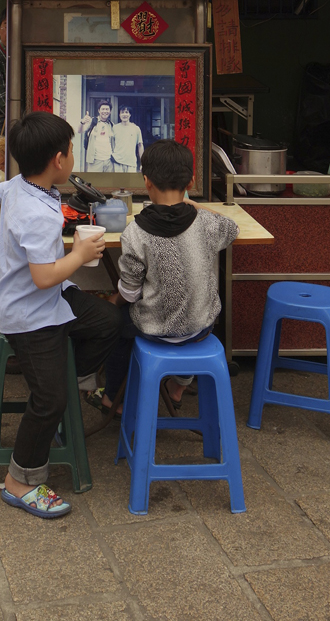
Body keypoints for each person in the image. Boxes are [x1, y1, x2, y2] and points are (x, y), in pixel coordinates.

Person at [0, 112, 121, 519]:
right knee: (48, 399)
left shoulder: (18, 186)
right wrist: (79, 255)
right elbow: (44, 277)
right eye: (73, 151)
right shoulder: (39, 214)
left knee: (108, 322)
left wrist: (5, 240)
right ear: (59, 160)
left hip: (50, 299)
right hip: (29, 313)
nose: (74, 158)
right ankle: (19, 481)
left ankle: (75, 377)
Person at [88, 140, 238, 417]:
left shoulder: (135, 233)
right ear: (191, 181)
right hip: (202, 326)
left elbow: (130, 294)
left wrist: (113, 299)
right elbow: (232, 228)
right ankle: (179, 386)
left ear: (146, 182)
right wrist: (197, 207)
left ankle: (113, 397)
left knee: (117, 325)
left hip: (156, 329)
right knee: (197, 307)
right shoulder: (207, 223)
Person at [80, 100, 115, 172]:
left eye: (107, 109)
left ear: (110, 111)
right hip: (95, 160)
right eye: (103, 109)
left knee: (108, 182)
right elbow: (79, 131)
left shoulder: (111, 125)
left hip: (109, 161)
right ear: (99, 110)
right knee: (94, 182)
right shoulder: (92, 121)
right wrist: (82, 122)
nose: (105, 111)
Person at [111, 105, 144, 173]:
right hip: (117, 162)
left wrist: (142, 163)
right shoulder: (114, 128)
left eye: (126, 112)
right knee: (118, 183)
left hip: (131, 162)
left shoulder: (136, 128)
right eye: (122, 112)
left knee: (130, 183)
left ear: (130, 114)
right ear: (119, 114)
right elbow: (111, 144)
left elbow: (140, 146)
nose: (124, 114)